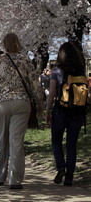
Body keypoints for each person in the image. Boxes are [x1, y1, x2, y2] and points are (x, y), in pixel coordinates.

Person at [0, 33, 43, 190]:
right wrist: (40, 104)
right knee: (16, 141)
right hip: (21, 102)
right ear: (18, 43)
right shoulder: (25, 60)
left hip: (1, 103)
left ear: (3, 44)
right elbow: (35, 85)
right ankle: (15, 180)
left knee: (2, 139)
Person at [46, 42, 87, 186]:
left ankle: (61, 167)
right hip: (78, 112)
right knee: (72, 145)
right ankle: (69, 177)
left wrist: (47, 112)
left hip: (61, 110)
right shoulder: (81, 71)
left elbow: (51, 94)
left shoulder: (57, 71)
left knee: (56, 141)